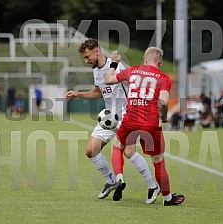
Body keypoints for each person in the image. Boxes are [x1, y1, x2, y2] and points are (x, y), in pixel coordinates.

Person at [65, 38, 158, 203]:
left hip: (126, 115)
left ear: (97, 51)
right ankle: (111, 181)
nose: (86, 61)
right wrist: (79, 94)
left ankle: (152, 186)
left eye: (88, 57)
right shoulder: (96, 70)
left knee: (128, 152)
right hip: (109, 117)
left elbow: (135, 83)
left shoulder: (116, 67)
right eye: (84, 58)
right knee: (90, 150)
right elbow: (99, 92)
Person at [104, 47, 185, 206]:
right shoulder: (163, 78)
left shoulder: (132, 71)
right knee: (158, 160)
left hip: (130, 120)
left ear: (144, 58)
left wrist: (113, 63)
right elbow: (164, 101)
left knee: (117, 146)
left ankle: (119, 177)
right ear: (160, 63)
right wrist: (164, 115)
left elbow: (108, 80)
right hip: (151, 123)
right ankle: (168, 199)